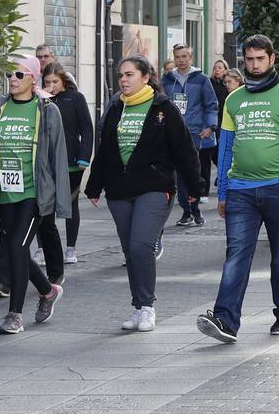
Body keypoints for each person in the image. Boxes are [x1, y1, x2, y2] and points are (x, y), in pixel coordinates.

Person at [197, 36, 279, 343]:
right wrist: (223, 192)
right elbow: (225, 149)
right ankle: (225, 320)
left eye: (259, 59)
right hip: (240, 191)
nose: (253, 65)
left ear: (271, 59)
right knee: (236, 254)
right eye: (248, 60)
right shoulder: (234, 100)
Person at [86, 56, 202, 332]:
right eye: (120, 76)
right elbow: (105, 150)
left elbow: (185, 149)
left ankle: (148, 307)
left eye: (129, 75)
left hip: (155, 186)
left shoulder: (163, 108)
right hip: (119, 189)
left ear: (145, 77)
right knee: (130, 250)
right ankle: (137, 306)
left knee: (141, 246)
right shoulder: (115, 108)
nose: (123, 80)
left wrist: (194, 187)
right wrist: (94, 185)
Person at [0, 56, 70, 335]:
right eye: (11, 74)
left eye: (20, 75)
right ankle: (48, 291)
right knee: (13, 249)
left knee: (19, 248)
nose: (13, 79)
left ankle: (14, 315)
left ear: (33, 79)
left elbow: (58, 155)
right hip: (5, 192)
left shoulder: (46, 110)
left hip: (33, 193)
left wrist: (60, 201)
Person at [38, 63, 93, 269]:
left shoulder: (75, 98)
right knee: (43, 205)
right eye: (47, 82)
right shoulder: (40, 100)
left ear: (64, 81)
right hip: (46, 162)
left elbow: (87, 129)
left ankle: (71, 248)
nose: (51, 86)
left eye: (55, 82)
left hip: (71, 161)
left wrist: (84, 157)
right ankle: (42, 248)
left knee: (70, 203)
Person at [161, 45, 219, 228]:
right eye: (177, 56)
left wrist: (210, 126)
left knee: (192, 173)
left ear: (191, 58)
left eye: (184, 56)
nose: (181, 60)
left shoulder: (201, 79)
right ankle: (187, 210)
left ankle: (195, 209)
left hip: (194, 132)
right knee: (178, 174)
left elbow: (211, 104)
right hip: (173, 132)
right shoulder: (167, 79)